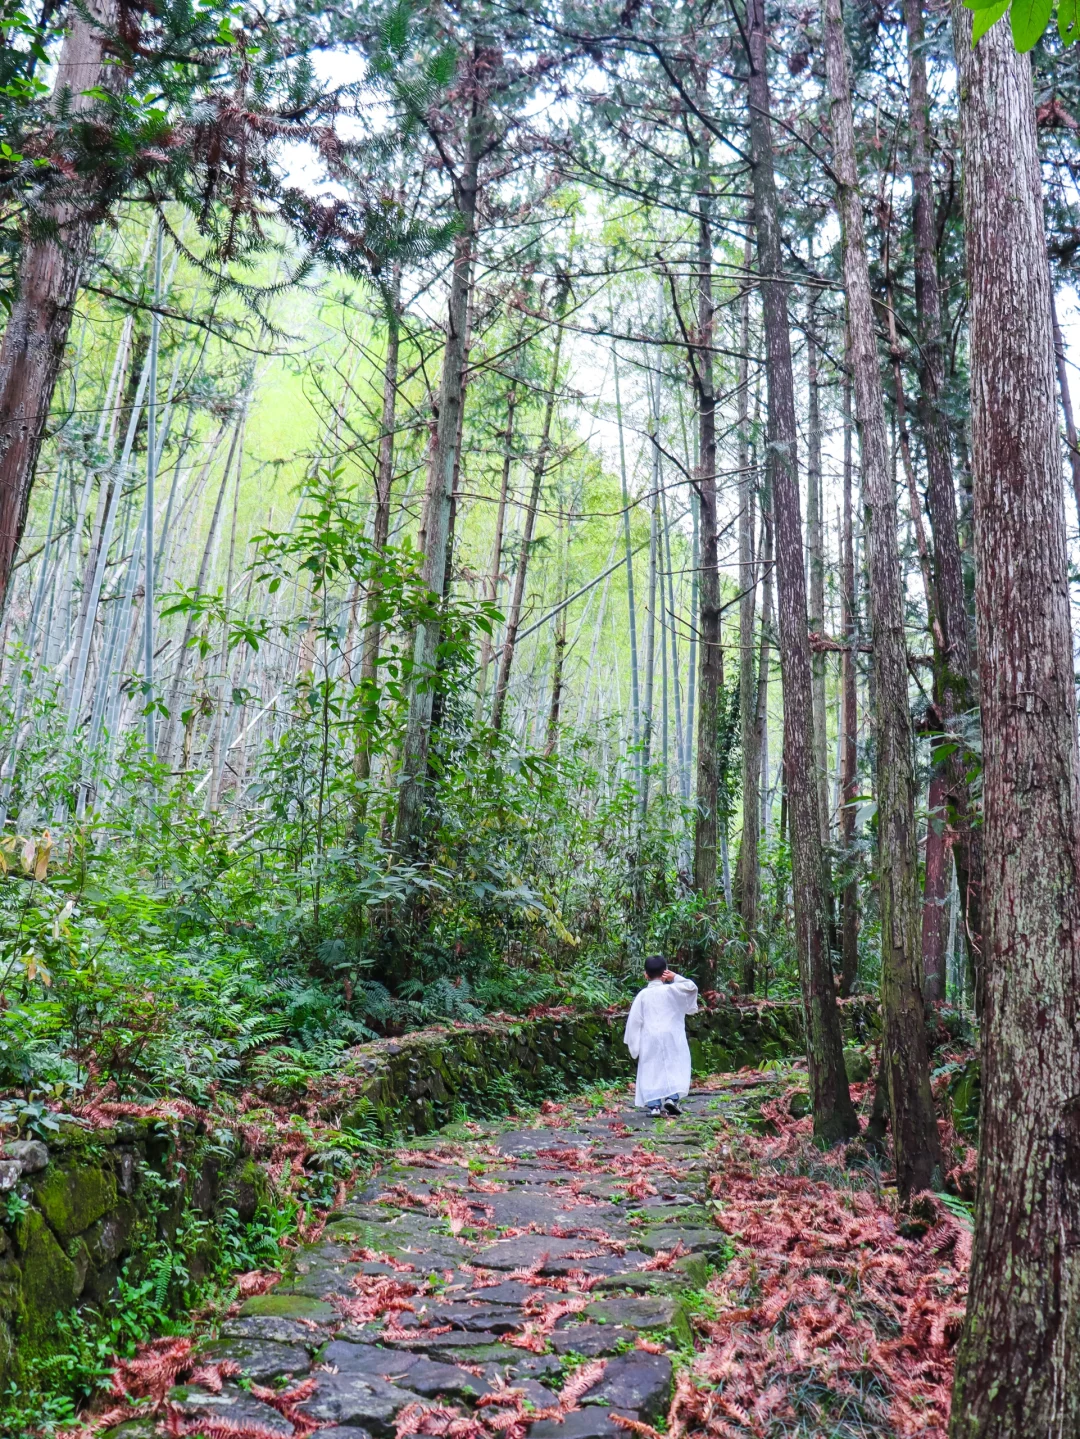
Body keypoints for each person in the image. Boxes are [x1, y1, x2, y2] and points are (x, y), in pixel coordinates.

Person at [623, 955, 699, 1116]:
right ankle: (672, 1098)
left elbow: (634, 1022)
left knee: (651, 1069)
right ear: (665, 972)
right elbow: (691, 988)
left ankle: (654, 1106)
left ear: (646, 975)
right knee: (676, 1065)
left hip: (650, 1037)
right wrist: (675, 977)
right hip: (673, 1036)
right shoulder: (672, 990)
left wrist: (634, 1046)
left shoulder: (643, 995)